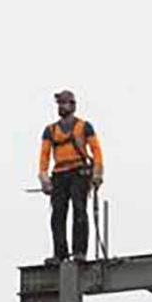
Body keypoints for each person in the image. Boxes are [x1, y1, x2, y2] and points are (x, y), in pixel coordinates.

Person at [38, 89, 103, 264]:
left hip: (79, 172)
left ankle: (79, 251)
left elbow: (96, 150)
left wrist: (97, 173)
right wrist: (44, 177)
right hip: (59, 174)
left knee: (79, 210)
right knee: (57, 214)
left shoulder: (84, 126)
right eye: (59, 103)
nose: (61, 106)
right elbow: (44, 155)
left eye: (64, 102)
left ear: (72, 105)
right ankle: (60, 254)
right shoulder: (50, 130)